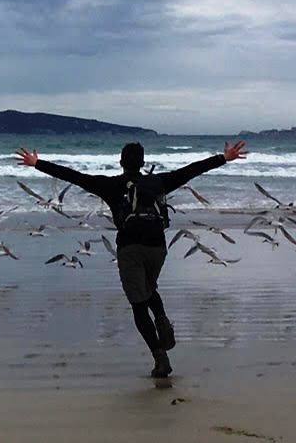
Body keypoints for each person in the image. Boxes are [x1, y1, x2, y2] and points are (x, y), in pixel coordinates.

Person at [15, 139, 247, 378]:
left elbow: (74, 176)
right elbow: (191, 170)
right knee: (149, 288)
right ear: (143, 163)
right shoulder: (159, 182)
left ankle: (160, 358)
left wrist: (37, 163)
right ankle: (161, 316)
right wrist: (223, 158)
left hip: (129, 248)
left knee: (138, 304)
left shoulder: (111, 185)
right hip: (157, 247)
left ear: (121, 162)